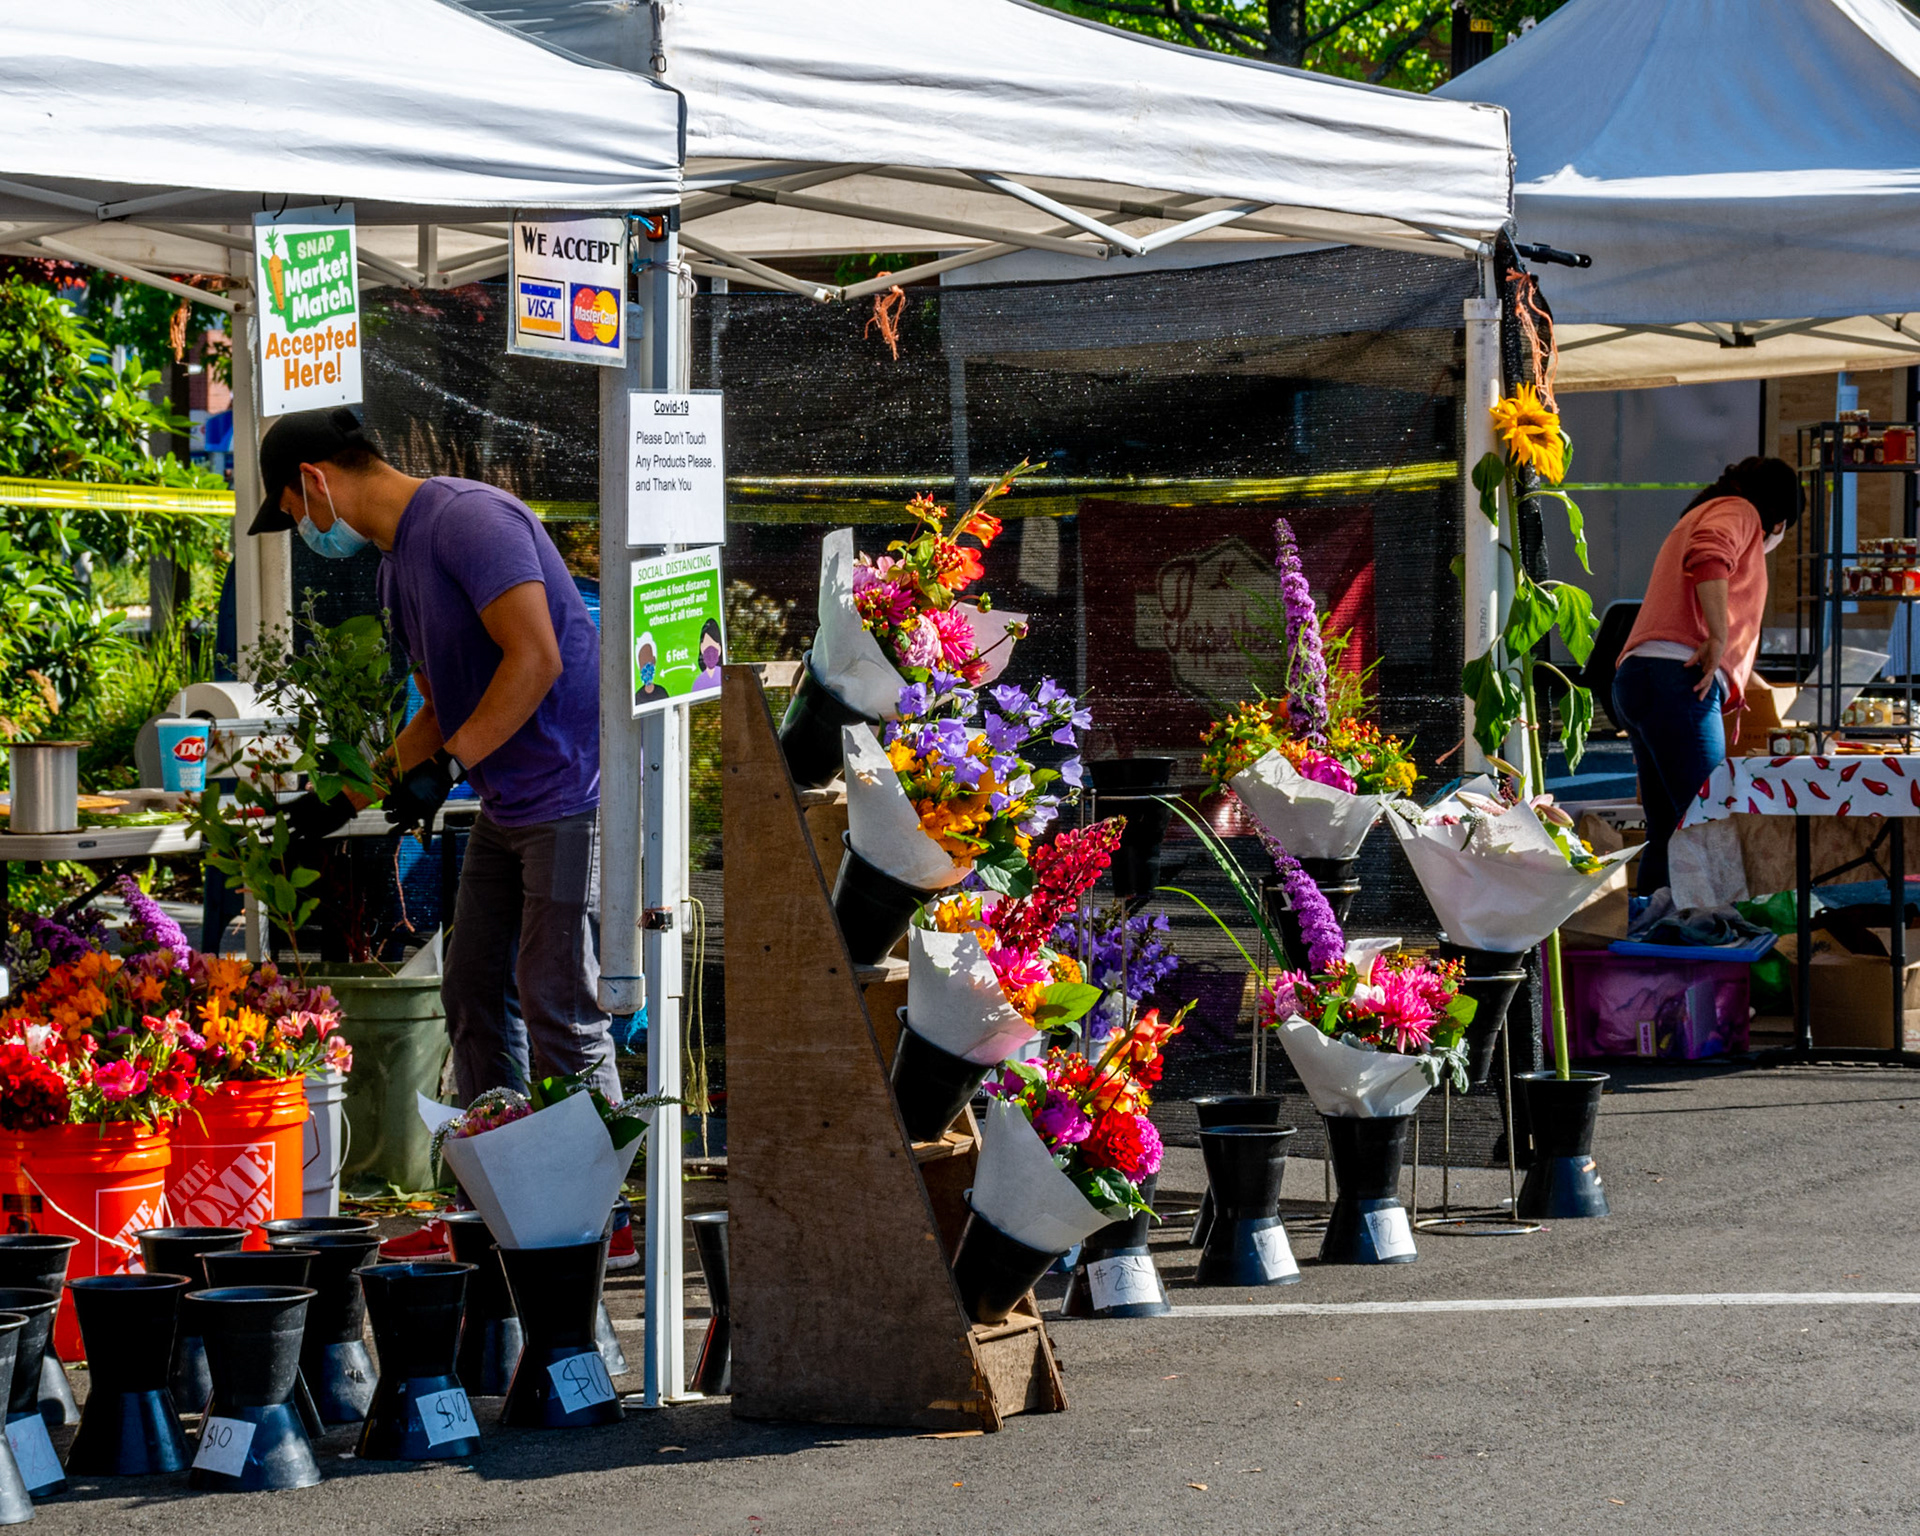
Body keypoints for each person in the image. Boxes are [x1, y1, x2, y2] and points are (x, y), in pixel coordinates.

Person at [248, 406, 619, 1103]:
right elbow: (439, 705)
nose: (301, 530)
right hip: (507, 804)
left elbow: (535, 658)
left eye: (293, 510)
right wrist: (340, 801)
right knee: (473, 987)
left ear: (314, 479)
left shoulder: (468, 520)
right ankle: (497, 1165)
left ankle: (593, 1201)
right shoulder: (396, 568)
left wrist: (448, 770)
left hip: (572, 796)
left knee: (558, 1003)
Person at [1611, 456, 1803, 895]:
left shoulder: (1703, 512)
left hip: (1642, 676)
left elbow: (1730, 652)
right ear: (1779, 518)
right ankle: (1717, 938)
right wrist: (1718, 636)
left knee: (1668, 827)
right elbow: (1711, 556)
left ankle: (1655, 928)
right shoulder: (1741, 512)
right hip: (1678, 680)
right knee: (1708, 815)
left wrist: (1772, 694)